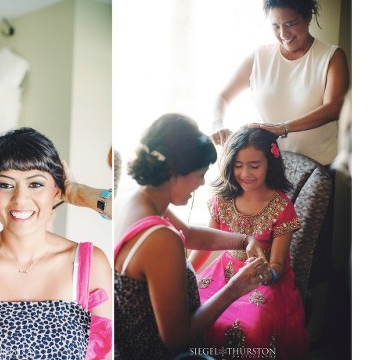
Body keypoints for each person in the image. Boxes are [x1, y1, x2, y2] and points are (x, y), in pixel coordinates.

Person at [0, 128, 112, 360]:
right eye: (5, 185)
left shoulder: (91, 263)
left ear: (56, 190)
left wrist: (79, 193)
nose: (20, 199)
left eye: (35, 184)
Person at [114, 113, 270, 359]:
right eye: (200, 174)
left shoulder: (135, 198)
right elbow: (177, 338)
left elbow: (189, 233)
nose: (202, 183)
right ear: (176, 173)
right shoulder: (160, 240)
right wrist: (235, 288)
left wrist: (244, 240)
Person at [189, 128, 307, 359]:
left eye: (254, 165)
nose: (245, 173)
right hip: (222, 273)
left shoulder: (282, 207)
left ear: (269, 164)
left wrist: (260, 276)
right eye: (238, 165)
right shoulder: (222, 201)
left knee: (250, 327)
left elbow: (278, 265)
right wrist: (187, 274)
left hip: (264, 281)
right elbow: (205, 243)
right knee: (190, 308)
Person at [211, 0, 349, 167]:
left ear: (308, 17)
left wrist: (283, 128)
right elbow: (222, 96)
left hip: (317, 166)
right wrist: (217, 123)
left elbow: (334, 108)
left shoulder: (332, 56)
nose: (283, 33)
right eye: (275, 26)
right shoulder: (259, 56)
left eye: (290, 24)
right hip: (268, 164)